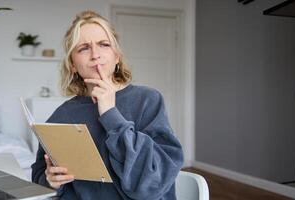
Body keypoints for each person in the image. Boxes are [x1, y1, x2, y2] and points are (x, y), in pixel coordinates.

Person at [31, 10, 184, 200]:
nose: (95, 54)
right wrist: (49, 181)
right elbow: (39, 174)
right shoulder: (62, 115)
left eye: (104, 45)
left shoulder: (148, 100)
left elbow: (153, 183)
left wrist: (110, 113)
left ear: (117, 55)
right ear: (72, 64)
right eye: (84, 48)